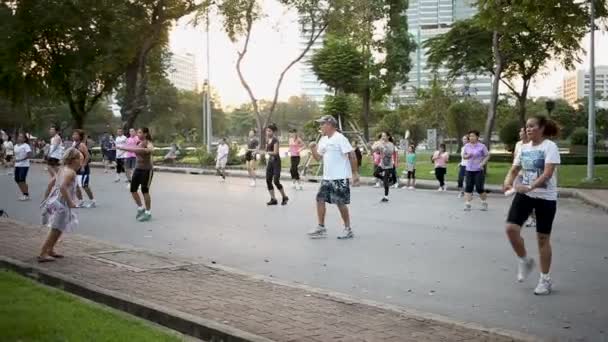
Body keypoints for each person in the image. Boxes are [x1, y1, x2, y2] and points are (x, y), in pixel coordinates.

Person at [503, 115, 561, 296]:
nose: (528, 129)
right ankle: (524, 260)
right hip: (525, 194)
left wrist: (529, 187)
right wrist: (508, 181)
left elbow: (548, 173)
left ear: (542, 128)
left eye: (532, 126)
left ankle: (545, 279)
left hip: (545, 197)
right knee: (511, 229)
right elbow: (514, 169)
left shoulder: (550, 147)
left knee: (542, 239)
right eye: (527, 126)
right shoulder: (523, 147)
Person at [307, 115, 359, 239]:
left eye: (322, 124)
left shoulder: (340, 138)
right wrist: (313, 149)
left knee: (340, 203)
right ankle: (321, 227)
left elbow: (352, 155)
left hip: (339, 177)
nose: (320, 126)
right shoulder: (323, 140)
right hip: (327, 177)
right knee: (320, 199)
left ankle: (348, 229)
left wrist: (355, 173)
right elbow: (318, 158)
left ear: (329, 125)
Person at [39, 147, 82, 262]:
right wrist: (70, 202)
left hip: (58, 201)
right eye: (80, 160)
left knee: (59, 227)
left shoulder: (63, 169)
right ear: (73, 160)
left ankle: (50, 249)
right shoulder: (71, 172)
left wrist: (46, 197)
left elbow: (51, 183)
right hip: (63, 203)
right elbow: (63, 186)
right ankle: (43, 252)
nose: (81, 163)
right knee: (56, 228)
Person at [117, 127, 154, 222]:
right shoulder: (138, 143)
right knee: (133, 189)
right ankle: (141, 208)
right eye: (138, 132)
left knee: (145, 190)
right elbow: (132, 149)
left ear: (145, 134)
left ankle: (148, 212)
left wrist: (147, 150)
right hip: (138, 169)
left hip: (147, 170)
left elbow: (150, 149)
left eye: (140, 132)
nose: (138, 134)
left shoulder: (148, 142)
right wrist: (123, 149)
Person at [462, 130, 489, 211]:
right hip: (469, 169)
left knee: (479, 188)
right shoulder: (467, 146)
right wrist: (467, 156)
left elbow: (487, 155)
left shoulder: (482, 146)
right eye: (470, 136)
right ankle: (467, 204)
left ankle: (484, 202)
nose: (471, 138)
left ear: (477, 137)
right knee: (468, 187)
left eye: (473, 136)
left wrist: (482, 163)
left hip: (478, 170)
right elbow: (464, 156)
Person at [265, 123, 288, 206]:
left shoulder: (275, 140)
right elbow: (266, 150)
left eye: (269, 131)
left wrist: (265, 152)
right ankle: (273, 199)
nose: (268, 132)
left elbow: (275, 152)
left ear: (273, 132)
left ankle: (284, 196)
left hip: (276, 162)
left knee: (276, 181)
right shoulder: (267, 140)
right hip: (270, 162)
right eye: (267, 131)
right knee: (268, 180)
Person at [72, 130, 96, 208]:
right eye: (73, 134)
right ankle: (80, 201)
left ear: (80, 136)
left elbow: (88, 156)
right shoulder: (74, 144)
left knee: (84, 185)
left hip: (83, 168)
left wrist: (83, 166)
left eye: (76, 134)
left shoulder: (82, 145)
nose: (74, 135)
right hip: (76, 168)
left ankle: (92, 201)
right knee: (76, 185)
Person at [372, 132, 395, 202]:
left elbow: (390, 153)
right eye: (382, 136)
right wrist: (376, 144)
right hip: (382, 164)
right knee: (375, 173)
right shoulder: (380, 143)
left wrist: (384, 146)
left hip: (388, 164)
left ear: (388, 137)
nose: (383, 137)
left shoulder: (391, 144)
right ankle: (387, 180)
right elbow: (374, 149)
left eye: (384, 136)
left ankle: (386, 196)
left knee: (385, 182)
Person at [13, 133, 33, 201]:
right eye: (19, 136)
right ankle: (24, 192)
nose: (19, 138)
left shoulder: (26, 145)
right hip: (17, 165)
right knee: (17, 179)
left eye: (21, 137)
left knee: (22, 179)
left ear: (24, 139)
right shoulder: (15, 146)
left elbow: (29, 155)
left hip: (24, 165)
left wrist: (21, 159)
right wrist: (14, 160)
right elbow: (15, 155)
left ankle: (26, 195)